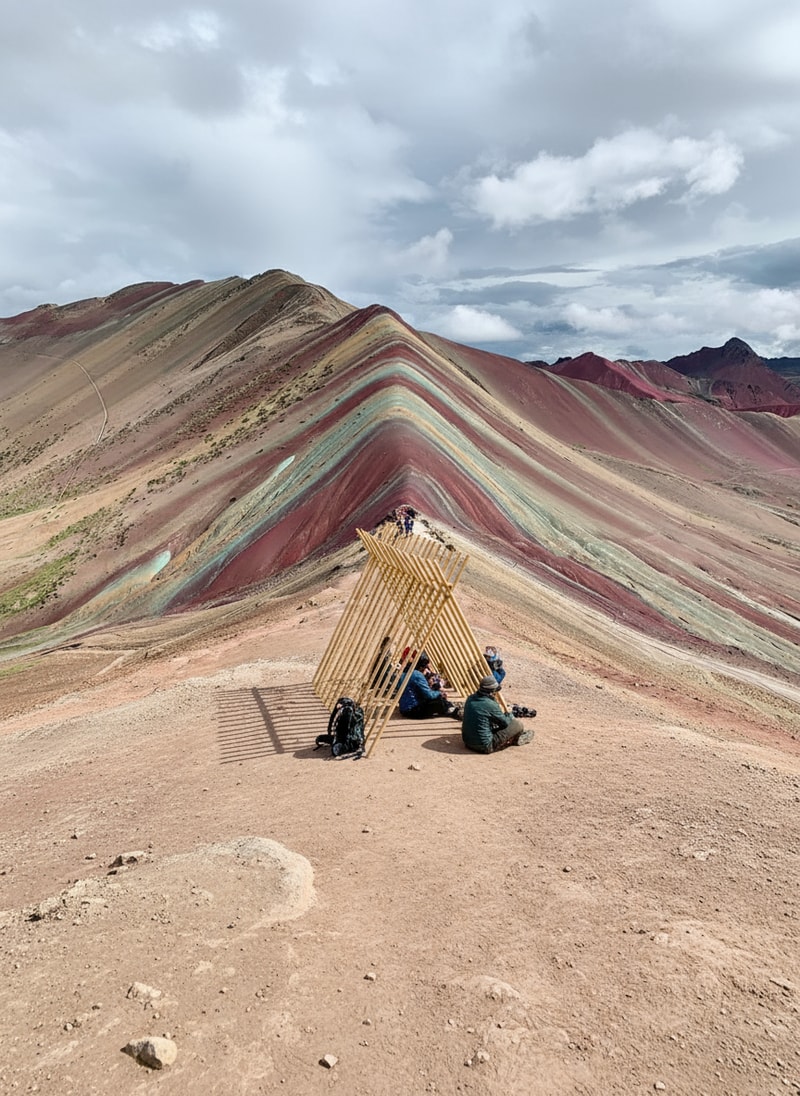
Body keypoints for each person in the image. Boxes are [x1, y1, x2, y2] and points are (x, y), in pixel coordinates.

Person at [461, 675, 533, 753]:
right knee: (518, 724)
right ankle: (515, 739)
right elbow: (504, 723)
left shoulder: (470, 698)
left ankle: (515, 738)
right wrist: (509, 715)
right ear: (492, 691)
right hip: (485, 746)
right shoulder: (490, 704)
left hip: (468, 742)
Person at [398, 653, 460, 719]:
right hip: (413, 710)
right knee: (439, 701)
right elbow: (429, 695)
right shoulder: (417, 674)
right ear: (422, 667)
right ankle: (453, 711)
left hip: (403, 709)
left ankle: (450, 708)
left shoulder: (403, 674)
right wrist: (439, 693)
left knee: (436, 699)